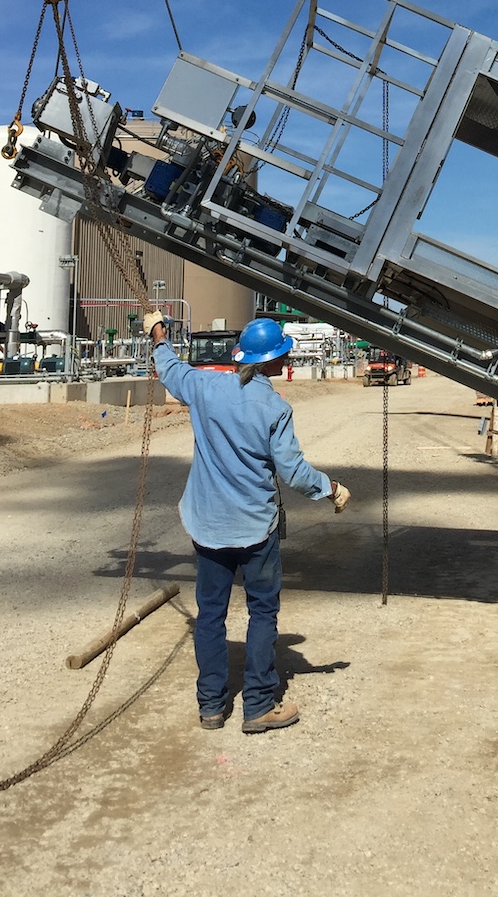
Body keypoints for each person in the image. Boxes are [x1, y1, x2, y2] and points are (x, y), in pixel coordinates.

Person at [143, 311, 350, 733]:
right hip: (256, 528)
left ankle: (211, 707)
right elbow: (292, 472)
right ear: (274, 362)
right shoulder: (275, 407)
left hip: (208, 525)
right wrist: (330, 488)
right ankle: (257, 706)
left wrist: (158, 333)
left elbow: (168, 368)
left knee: (210, 614)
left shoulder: (205, 386)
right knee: (261, 611)